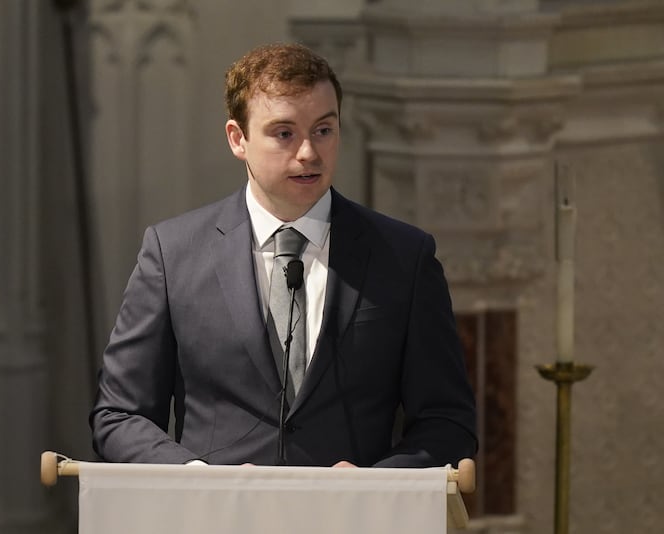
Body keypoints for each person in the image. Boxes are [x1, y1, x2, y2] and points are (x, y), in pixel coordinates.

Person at [90, 42, 477, 468]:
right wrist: (194, 481)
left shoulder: (405, 257)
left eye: (324, 130)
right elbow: (119, 415)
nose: (309, 152)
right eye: (284, 133)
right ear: (238, 139)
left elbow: (448, 422)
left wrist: (373, 484)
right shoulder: (173, 254)